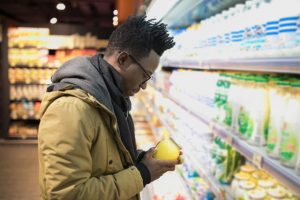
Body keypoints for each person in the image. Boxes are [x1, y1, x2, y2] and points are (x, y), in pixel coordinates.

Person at [38, 15, 179, 200]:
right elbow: (67, 194)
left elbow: (103, 161)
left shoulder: (111, 98)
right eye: (146, 75)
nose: (144, 85)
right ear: (123, 59)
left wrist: (143, 160)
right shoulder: (71, 108)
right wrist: (143, 173)